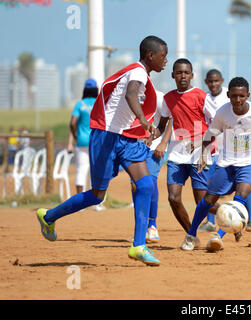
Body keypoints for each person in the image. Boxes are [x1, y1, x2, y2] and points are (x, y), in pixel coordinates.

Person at [35, 35, 168, 266]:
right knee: (97, 196)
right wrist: (143, 121)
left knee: (146, 184)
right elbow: (130, 94)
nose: (166, 61)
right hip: (106, 136)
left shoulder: (143, 75)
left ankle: (138, 246)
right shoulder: (137, 72)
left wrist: (143, 126)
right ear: (150, 56)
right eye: (163, 56)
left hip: (126, 139)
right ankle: (48, 217)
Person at [179, 76, 251, 252]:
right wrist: (203, 154)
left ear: (248, 95)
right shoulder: (223, 113)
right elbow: (210, 135)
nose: (237, 100)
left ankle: (218, 236)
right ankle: (191, 235)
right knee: (208, 200)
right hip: (227, 163)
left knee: (241, 196)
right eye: (234, 96)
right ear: (228, 95)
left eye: (241, 96)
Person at [154, 58, 218, 235]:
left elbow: (217, 125)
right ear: (173, 75)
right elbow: (164, 124)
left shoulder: (202, 97)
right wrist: (155, 138)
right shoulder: (168, 99)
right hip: (176, 156)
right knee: (173, 198)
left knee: (202, 202)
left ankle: (231, 216)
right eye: (179, 72)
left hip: (199, 155)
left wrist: (202, 147)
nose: (183, 76)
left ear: (192, 75)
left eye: (186, 73)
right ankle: (191, 234)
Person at [198, 69, 251, 233]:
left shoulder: (233, 93)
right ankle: (210, 222)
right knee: (212, 188)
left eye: (216, 81)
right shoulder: (205, 99)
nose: (213, 84)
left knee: (243, 186)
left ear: (222, 81)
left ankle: (250, 219)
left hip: (233, 149)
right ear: (206, 82)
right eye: (210, 81)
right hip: (215, 149)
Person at [130, 89, 172, 243]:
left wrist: (163, 142)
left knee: (149, 182)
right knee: (135, 186)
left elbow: (171, 119)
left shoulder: (159, 97)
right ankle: (140, 228)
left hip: (155, 146)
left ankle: (152, 226)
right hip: (133, 146)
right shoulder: (129, 96)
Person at [67, 79, 106, 211]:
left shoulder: (79, 104)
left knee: (81, 170)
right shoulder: (99, 103)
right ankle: (96, 203)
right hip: (97, 142)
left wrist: (75, 135)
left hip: (81, 141)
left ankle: (79, 204)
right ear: (96, 90)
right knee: (96, 172)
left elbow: (73, 123)